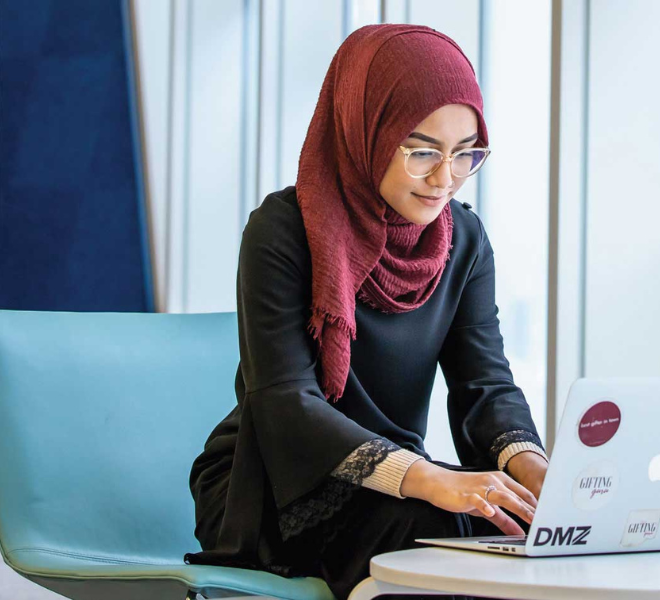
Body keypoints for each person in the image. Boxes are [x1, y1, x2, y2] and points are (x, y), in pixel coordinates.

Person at [183, 23, 549, 600]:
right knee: (433, 530)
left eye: (465, 154)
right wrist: (427, 479)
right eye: (422, 151)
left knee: (513, 525)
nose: (444, 178)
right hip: (273, 484)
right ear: (367, 129)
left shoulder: (465, 241)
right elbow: (285, 403)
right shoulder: (283, 233)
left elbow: (485, 385)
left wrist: (536, 474)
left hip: (398, 478)